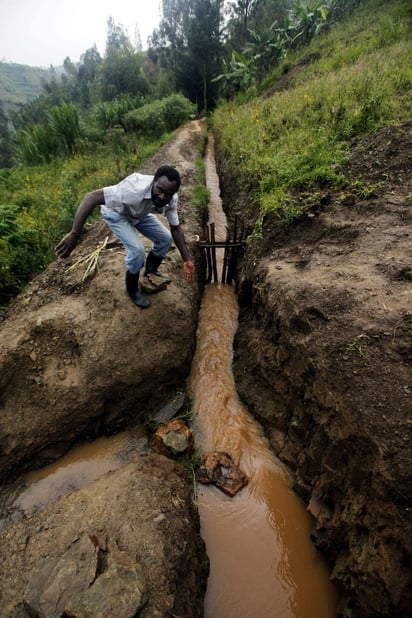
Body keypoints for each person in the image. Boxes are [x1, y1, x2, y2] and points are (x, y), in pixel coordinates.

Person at [55, 165, 195, 308]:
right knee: (137, 251)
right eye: (160, 190)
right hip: (116, 213)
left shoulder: (171, 199)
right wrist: (74, 233)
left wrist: (187, 260)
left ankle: (151, 272)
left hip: (139, 214)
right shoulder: (133, 190)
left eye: (168, 194)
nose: (162, 196)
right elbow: (91, 197)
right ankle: (132, 289)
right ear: (154, 182)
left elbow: (175, 228)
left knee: (165, 239)